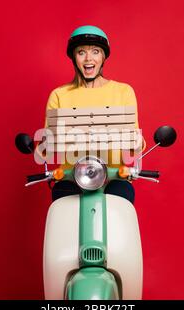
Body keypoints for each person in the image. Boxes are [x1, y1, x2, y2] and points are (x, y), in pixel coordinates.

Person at [39, 25, 146, 203]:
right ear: (74, 57)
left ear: (103, 57)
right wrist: (44, 145)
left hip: (113, 176)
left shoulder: (123, 91)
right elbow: (46, 147)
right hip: (71, 177)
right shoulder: (59, 95)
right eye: (81, 52)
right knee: (61, 214)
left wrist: (136, 142)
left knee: (122, 207)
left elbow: (133, 144)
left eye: (95, 51)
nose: (89, 58)